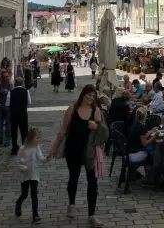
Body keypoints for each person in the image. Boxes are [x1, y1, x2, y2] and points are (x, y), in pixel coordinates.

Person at [48, 85, 108, 227]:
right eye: (88, 95)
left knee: (92, 182)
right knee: (73, 178)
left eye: (93, 96)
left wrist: (96, 127)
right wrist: (54, 149)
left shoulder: (96, 110)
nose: (91, 98)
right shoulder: (72, 109)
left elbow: (102, 131)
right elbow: (63, 131)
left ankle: (92, 215)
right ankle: (71, 204)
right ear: (83, 94)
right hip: (73, 149)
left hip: (89, 151)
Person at [15, 128, 47, 224]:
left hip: (34, 175)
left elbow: (41, 158)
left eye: (39, 137)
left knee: (34, 195)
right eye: (37, 137)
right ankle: (18, 203)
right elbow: (18, 162)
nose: (39, 140)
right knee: (25, 194)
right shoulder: (22, 149)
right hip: (25, 175)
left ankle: (35, 215)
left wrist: (48, 158)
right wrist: (23, 167)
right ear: (31, 138)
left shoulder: (37, 148)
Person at [8, 77, 32, 155]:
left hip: (13, 114)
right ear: (22, 83)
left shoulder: (11, 92)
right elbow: (29, 102)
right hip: (23, 114)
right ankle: (25, 146)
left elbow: (7, 103)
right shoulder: (26, 91)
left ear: (15, 83)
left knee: (14, 131)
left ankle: (14, 148)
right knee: (24, 131)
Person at [0, 73, 13, 146]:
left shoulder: (8, 84)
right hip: (3, 106)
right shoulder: (1, 84)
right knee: (2, 123)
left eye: (7, 76)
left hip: (5, 106)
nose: (6, 78)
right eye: (5, 77)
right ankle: (3, 139)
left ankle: (5, 140)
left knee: (6, 123)